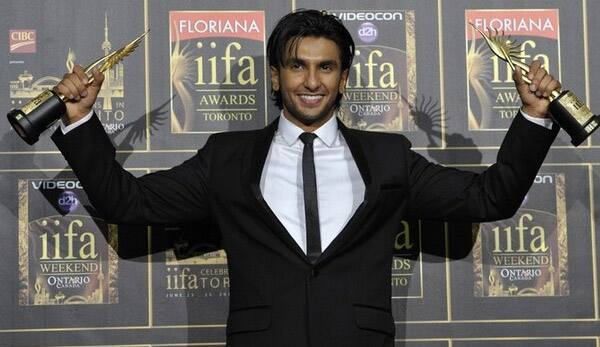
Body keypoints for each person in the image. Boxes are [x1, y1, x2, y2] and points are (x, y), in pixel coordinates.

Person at [51, 9, 560, 347]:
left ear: (343, 77)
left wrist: (534, 116)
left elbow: (489, 197)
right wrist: (79, 120)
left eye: (326, 67)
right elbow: (129, 203)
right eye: (297, 66)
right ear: (275, 75)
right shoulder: (226, 158)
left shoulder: (389, 157)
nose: (311, 81)